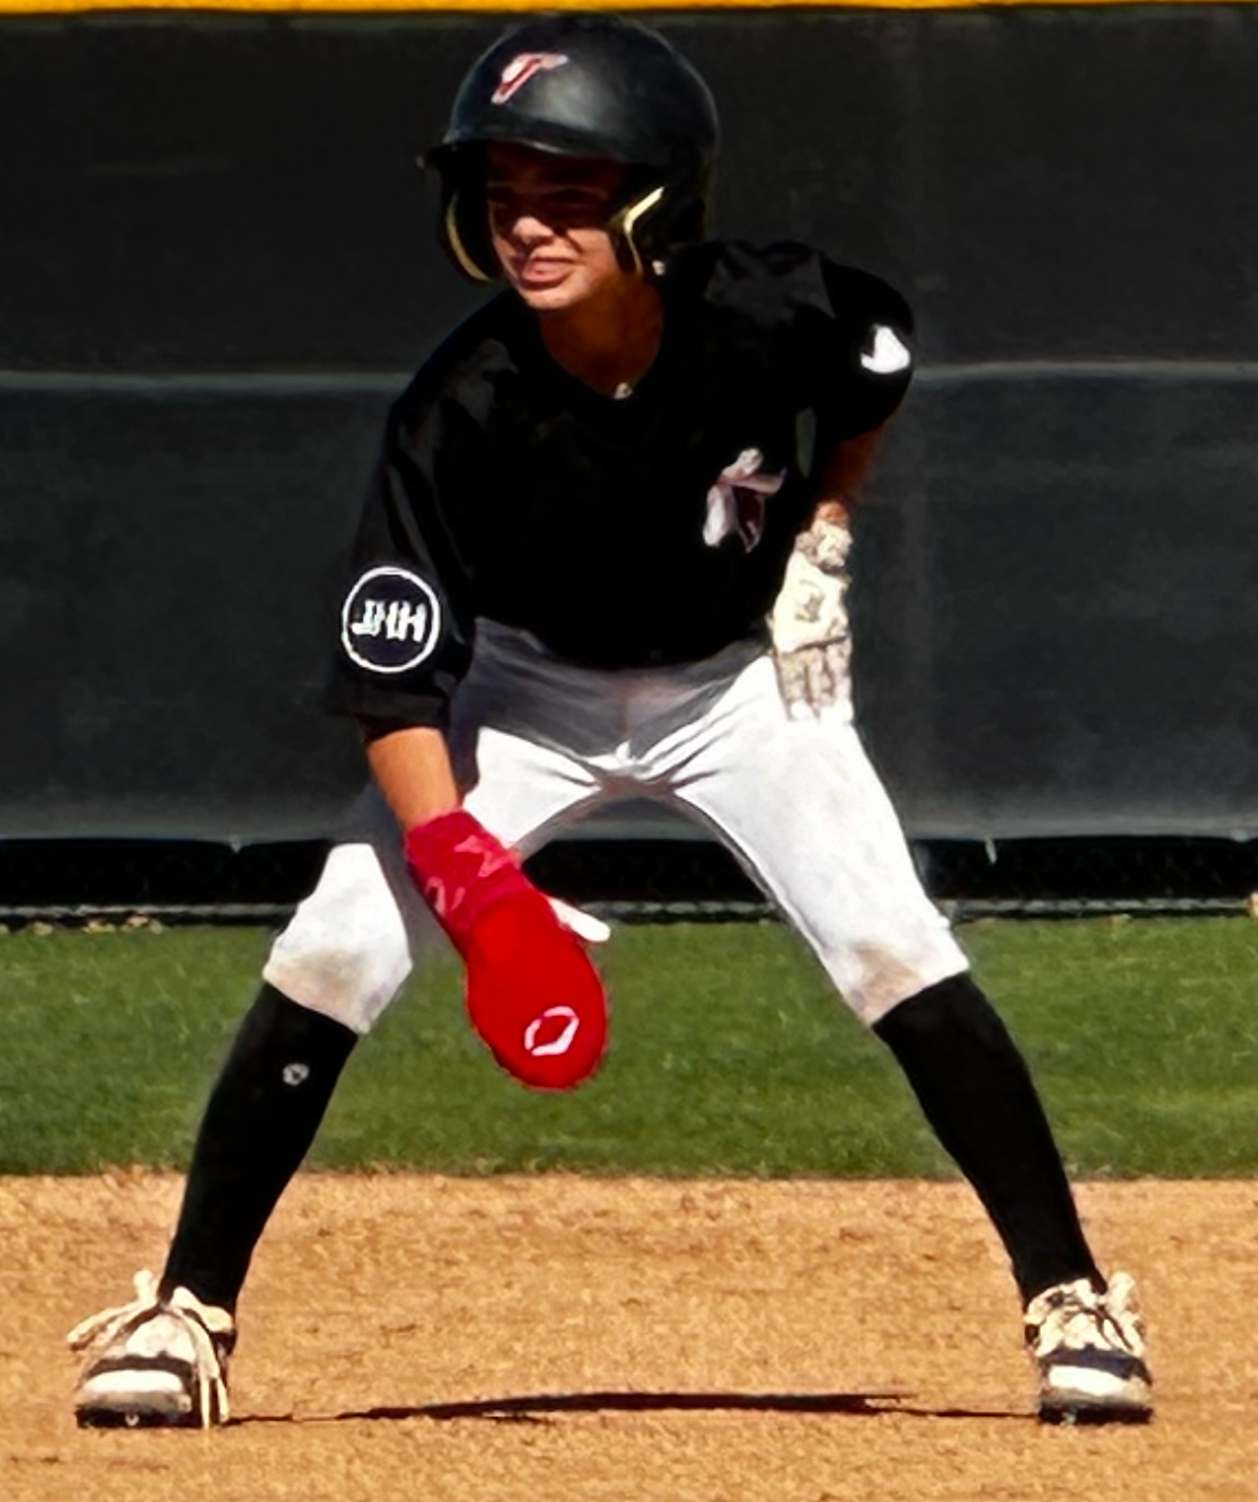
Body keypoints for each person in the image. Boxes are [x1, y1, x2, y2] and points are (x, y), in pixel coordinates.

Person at [67, 13, 1152, 1429]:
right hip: (523, 694)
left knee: (892, 943)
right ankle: (186, 1310)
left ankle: (1073, 1296)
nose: (527, 224)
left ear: (657, 203)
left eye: (570, 192)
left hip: (735, 687)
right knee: (334, 944)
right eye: (504, 192)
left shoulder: (772, 310)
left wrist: (827, 525)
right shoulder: (458, 411)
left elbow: (877, 361)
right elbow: (395, 689)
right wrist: (468, 881)